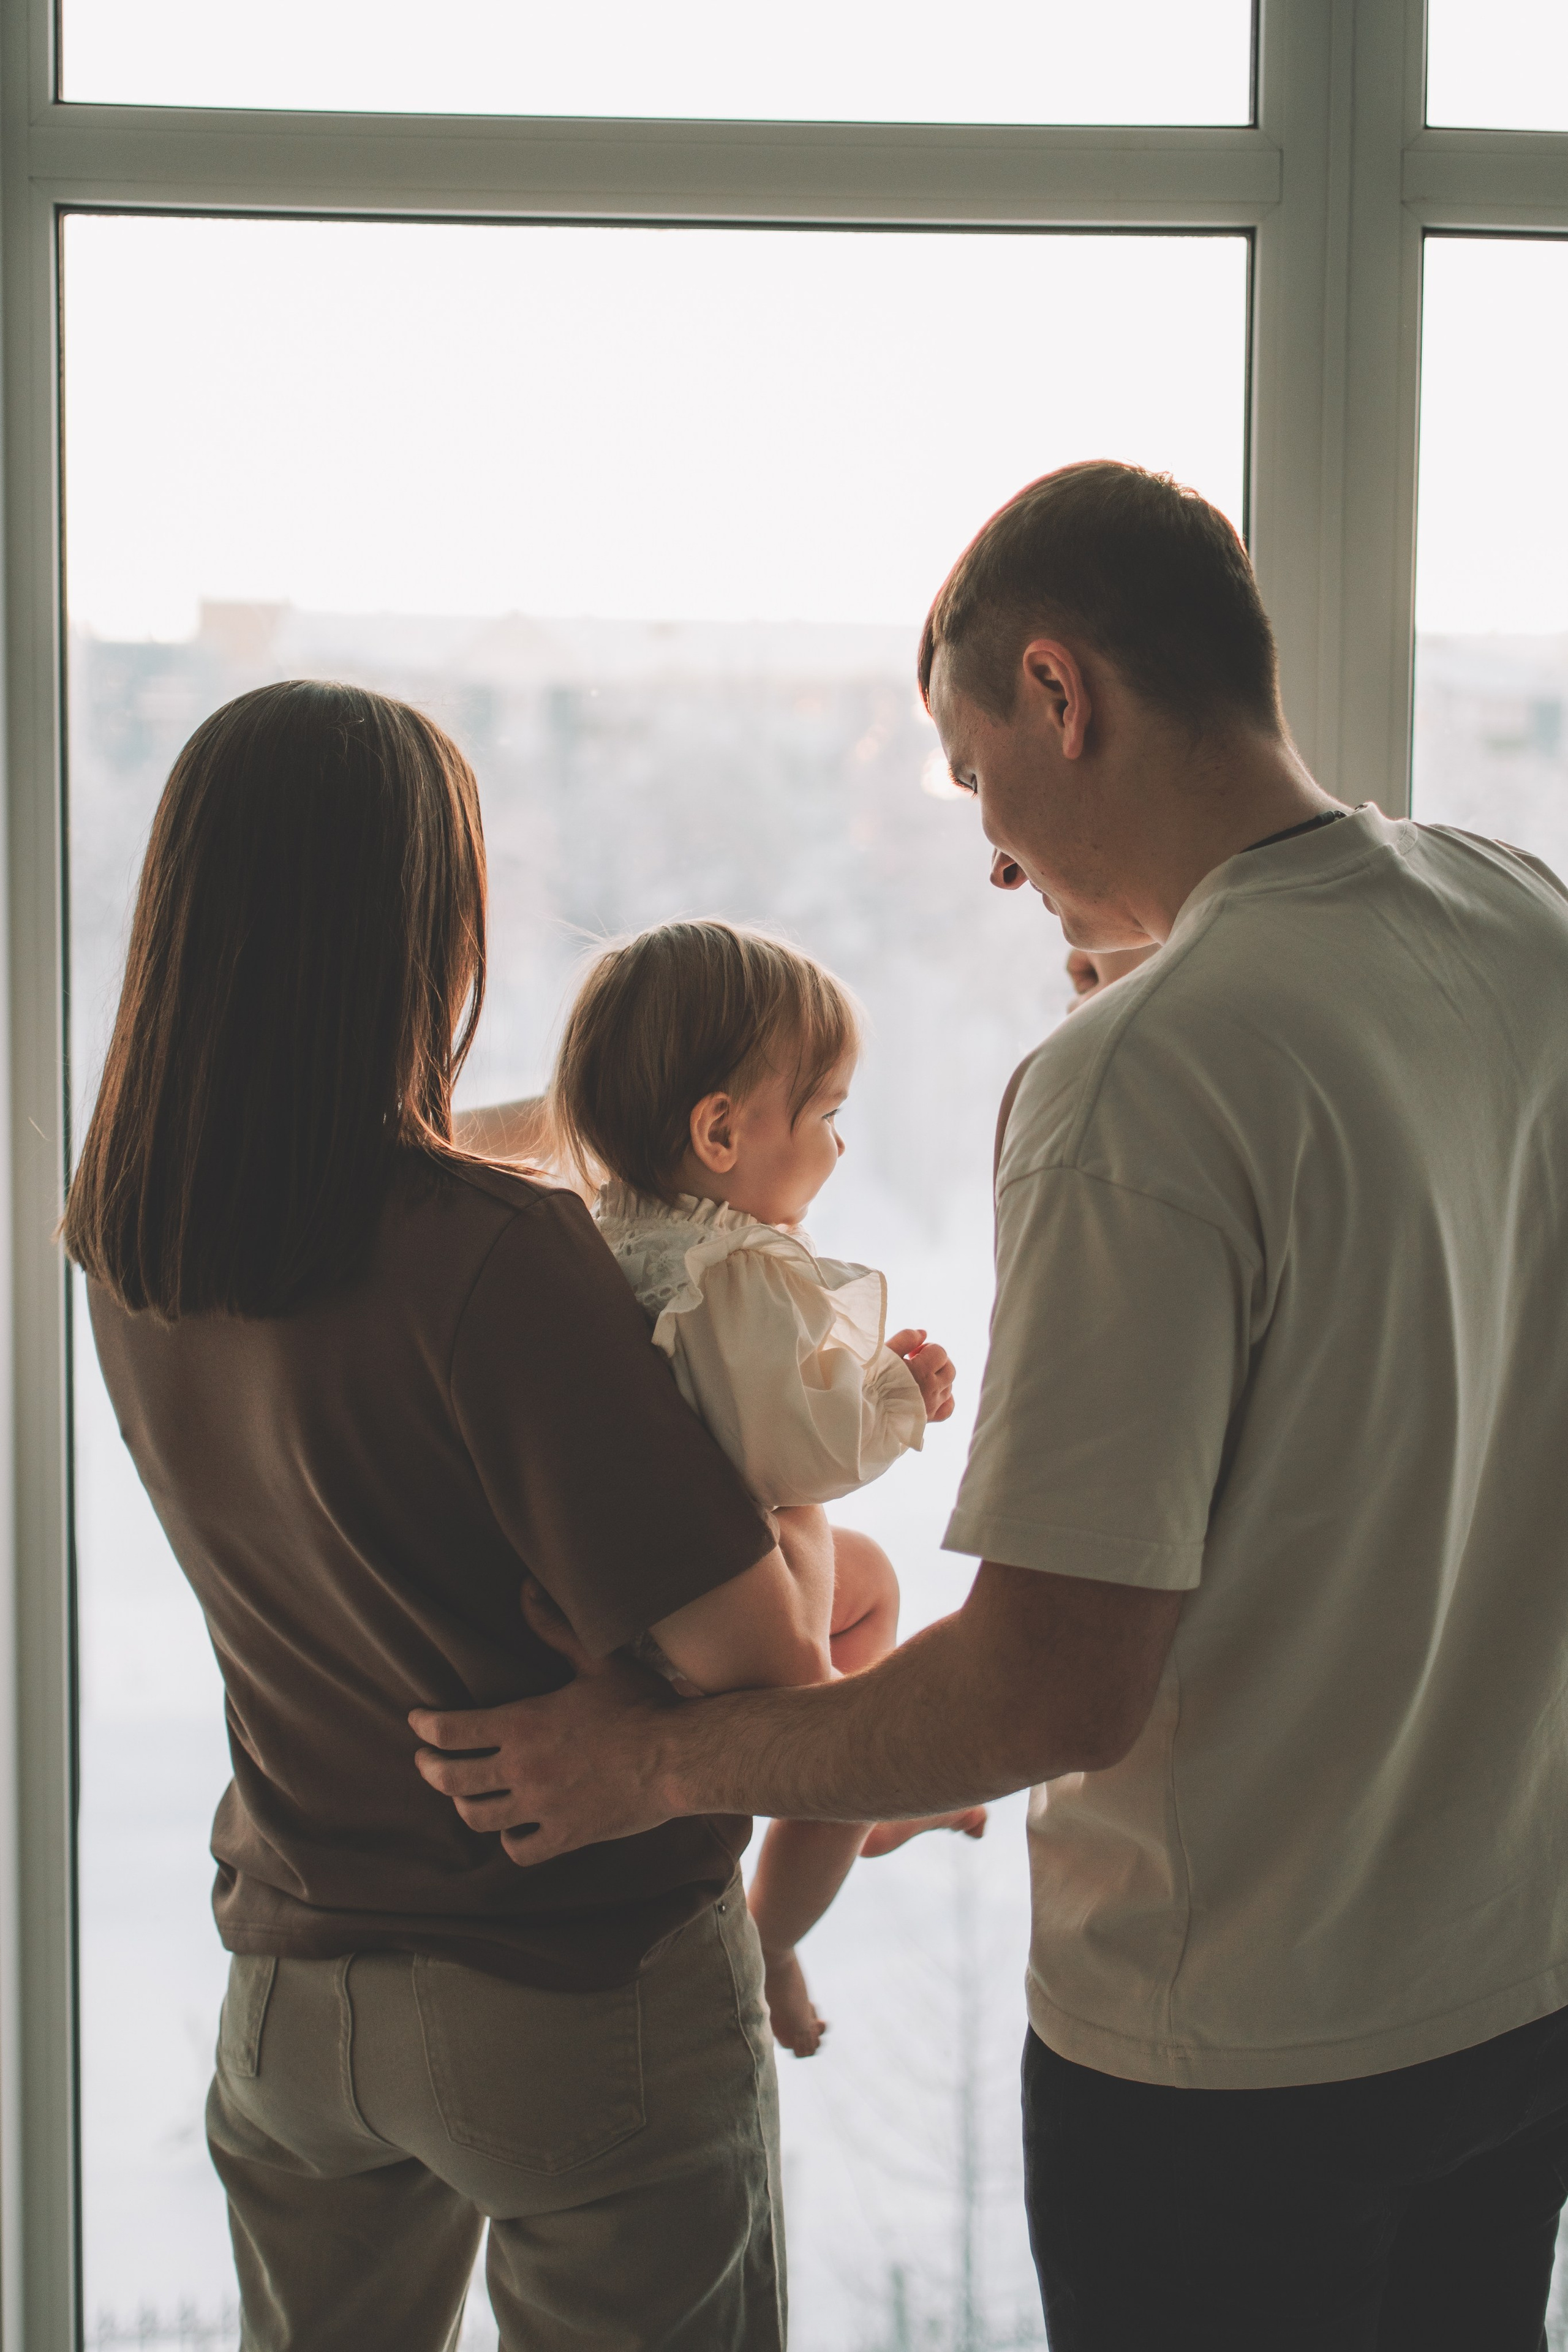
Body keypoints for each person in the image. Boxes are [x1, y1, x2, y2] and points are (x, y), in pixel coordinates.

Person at [413, 460, 1568, 2351]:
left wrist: (652, 1766)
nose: (992, 854)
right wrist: (872, 1753)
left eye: (972, 777)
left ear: (1060, 695)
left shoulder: (1144, 1078)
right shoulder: (1525, 927)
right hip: (1516, 1999)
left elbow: (1055, 1683)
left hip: (1232, 2068)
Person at [64, 680, 835, 2352]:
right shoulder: (496, 1266)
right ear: (424, 928)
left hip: (293, 1996)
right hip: (573, 1992)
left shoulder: (134, 1243)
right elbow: (767, 1662)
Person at [550, 916, 981, 2057]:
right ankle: (779, 1929)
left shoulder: (617, 1230)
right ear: (722, 1130)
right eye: (828, 1114)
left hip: (645, 1591)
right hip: (713, 1616)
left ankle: (864, 1821)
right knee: (844, 1722)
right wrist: (899, 1396)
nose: (840, 1147)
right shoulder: (732, 1269)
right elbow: (789, 1450)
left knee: (874, 1586)